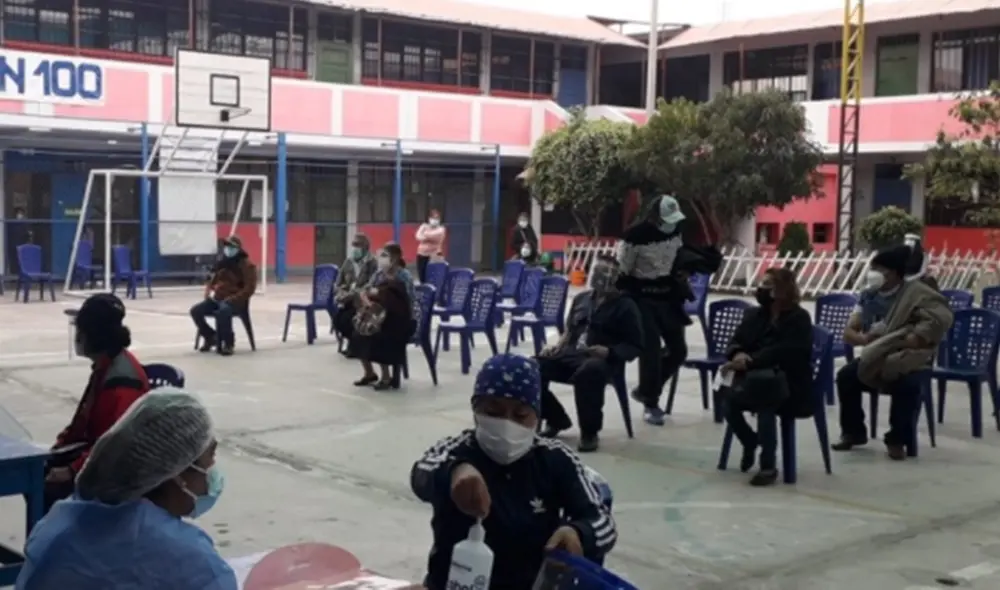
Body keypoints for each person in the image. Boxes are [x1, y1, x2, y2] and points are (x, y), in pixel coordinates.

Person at [410, 354, 617, 590]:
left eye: (520, 415)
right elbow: (421, 472)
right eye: (493, 412)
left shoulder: (555, 459)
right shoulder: (457, 451)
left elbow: (604, 523)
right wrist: (455, 472)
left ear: (537, 417)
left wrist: (579, 533)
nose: (507, 424)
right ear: (475, 410)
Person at [17, 389, 238, 590]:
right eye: (210, 457)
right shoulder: (191, 564)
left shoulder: (62, 524)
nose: (213, 471)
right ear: (176, 472)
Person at [832, 246, 953, 460]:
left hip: (906, 358)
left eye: (879, 268)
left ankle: (897, 440)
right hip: (876, 356)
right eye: (873, 267)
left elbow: (938, 319)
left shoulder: (916, 294)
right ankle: (853, 432)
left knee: (907, 385)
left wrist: (911, 339)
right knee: (846, 377)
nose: (873, 273)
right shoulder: (868, 296)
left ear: (895, 273)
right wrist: (864, 340)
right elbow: (850, 331)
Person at [46, 293, 150, 512]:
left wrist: (72, 470)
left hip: (116, 470)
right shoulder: (105, 365)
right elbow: (83, 421)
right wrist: (58, 449)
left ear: (92, 334)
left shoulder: (122, 382)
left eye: (80, 329)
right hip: (94, 452)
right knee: (41, 469)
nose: (77, 336)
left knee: (48, 490)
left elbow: (115, 447)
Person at [536, 255, 643, 452]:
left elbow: (635, 345)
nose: (598, 279)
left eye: (604, 275)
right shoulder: (581, 299)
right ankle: (556, 418)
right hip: (571, 354)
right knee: (531, 367)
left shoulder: (626, 306)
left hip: (602, 361)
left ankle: (589, 432)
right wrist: (557, 346)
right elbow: (569, 331)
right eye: (597, 273)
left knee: (590, 372)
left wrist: (609, 352)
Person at [721, 268, 813, 486]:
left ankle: (768, 465)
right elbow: (736, 340)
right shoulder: (754, 315)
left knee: (765, 403)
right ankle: (750, 440)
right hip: (753, 377)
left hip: (789, 382)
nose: (762, 288)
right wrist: (738, 353)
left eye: (769, 284)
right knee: (726, 398)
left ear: (784, 289)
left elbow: (787, 351)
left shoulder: (799, 318)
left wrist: (752, 361)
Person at [617, 195, 690, 426]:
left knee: (678, 350)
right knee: (650, 350)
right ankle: (651, 403)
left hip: (667, 295)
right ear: (654, 216)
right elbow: (624, 271)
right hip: (641, 297)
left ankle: (647, 388)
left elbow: (678, 256)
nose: (671, 223)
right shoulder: (634, 236)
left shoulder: (676, 230)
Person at [350, 243, 415, 390]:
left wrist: (381, 296)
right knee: (358, 332)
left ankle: (386, 376)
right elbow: (365, 290)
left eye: (386, 255)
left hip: (400, 319)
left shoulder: (404, 275)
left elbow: (407, 299)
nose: (382, 259)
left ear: (396, 258)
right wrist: (366, 300)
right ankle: (369, 373)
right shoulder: (378, 274)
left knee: (380, 335)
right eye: (382, 255)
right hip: (379, 316)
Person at [190, 235, 258, 356]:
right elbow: (213, 280)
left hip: (236, 301)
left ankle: (228, 343)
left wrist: (233, 299)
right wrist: (209, 289)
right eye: (227, 246)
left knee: (224, 310)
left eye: (231, 247)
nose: (228, 249)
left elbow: (249, 288)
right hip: (218, 298)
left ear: (238, 249)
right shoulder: (223, 264)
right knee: (195, 311)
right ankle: (211, 337)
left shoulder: (247, 266)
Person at [332, 233, 379, 353]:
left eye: (358, 245)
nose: (354, 247)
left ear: (366, 247)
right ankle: (353, 344)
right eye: (353, 244)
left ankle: (355, 346)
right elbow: (338, 282)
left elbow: (372, 284)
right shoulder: (348, 262)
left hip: (363, 301)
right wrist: (341, 292)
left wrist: (355, 293)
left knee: (351, 318)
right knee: (338, 319)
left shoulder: (372, 263)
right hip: (347, 300)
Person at [415, 209, 446, 283]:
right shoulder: (424, 226)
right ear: (429, 218)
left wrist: (425, 234)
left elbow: (436, 236)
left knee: (434, 276)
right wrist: (428, 236)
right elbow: (418, 236)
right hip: (421, 254)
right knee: (422, 276)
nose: (434, 220)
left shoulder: (441, 229)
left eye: (436, 218)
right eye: (433, 218)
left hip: (434, 255)